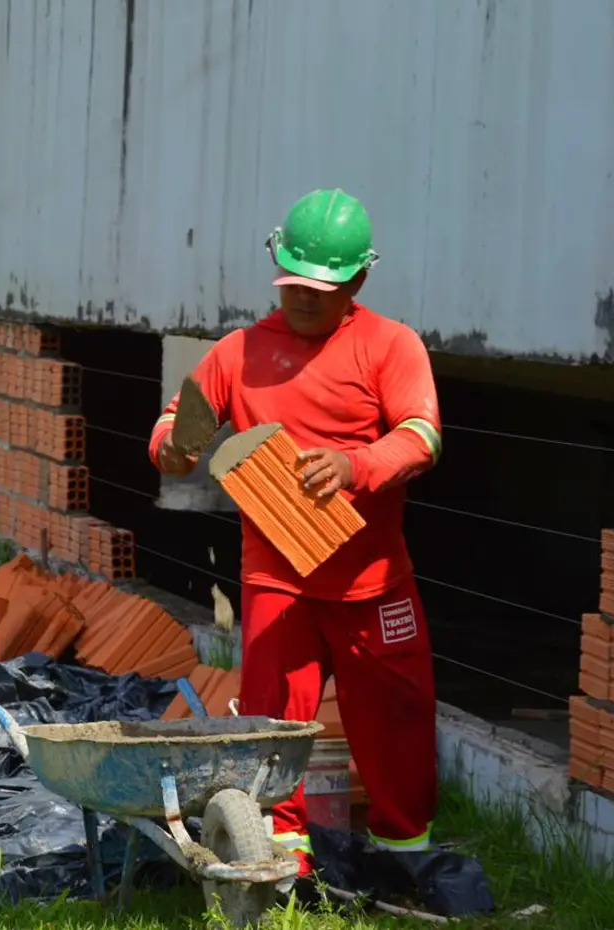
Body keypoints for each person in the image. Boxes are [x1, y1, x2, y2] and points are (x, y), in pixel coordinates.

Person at [149, 189, 443, 874]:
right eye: (293, 283)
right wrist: (173, 446)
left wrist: (354, 465)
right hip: (277, 579)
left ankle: (407, 861)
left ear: (359, 281)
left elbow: (422, 436)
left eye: (321, 288)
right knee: (272, 730)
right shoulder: (238, 354)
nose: (303, 297)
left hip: (373, 581)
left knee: (396, 724)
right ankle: (283, 864)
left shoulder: (390, 346)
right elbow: (171, 429)